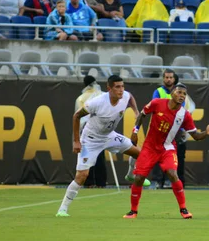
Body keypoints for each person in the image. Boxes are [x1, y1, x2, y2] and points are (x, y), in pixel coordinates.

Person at [123, 83, 209, 219]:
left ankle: (184, 209)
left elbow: (196, 136)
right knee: (138, 178)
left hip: (167, 148)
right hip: (150, 147)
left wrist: (207, 132)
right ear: (172, 93)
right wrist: (135, 131)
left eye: (184, 94)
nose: (181, 96)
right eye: (179, 92)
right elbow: (142, 114)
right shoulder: (157, 103)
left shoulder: (184, 115)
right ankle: (133, 211)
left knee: (173, 174)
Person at [56, 76, 146, 217]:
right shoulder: (97, 102)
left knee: (139, 154)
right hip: (90, 140)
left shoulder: (125, 96)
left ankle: (130, 175)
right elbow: (76, 116)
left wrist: (135, 111)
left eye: (122, 86)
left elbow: (130, 97)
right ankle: (63, 209)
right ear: (109, 88)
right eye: (117, 87)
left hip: (109, 136)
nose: (121, 90)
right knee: (82, 176)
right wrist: (76, 141)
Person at [74, 76, 106, 189]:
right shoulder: (102, 94)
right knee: (100, 156)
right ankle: (101, 182)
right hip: (101, 128)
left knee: (87, 156)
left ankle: (89, 182)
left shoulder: (81, 98)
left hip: (87, 130)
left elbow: (79, 117)